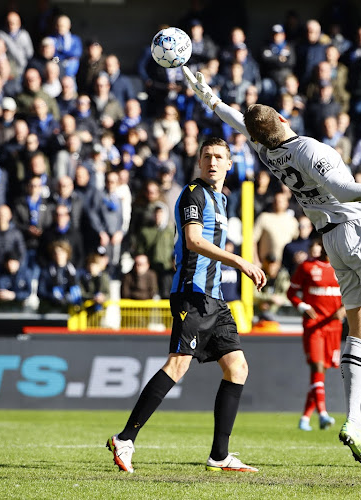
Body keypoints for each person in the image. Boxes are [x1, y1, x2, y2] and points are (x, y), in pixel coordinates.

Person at [183, 66, 361, 469]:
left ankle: (354, 420)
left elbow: (238, 120)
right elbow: (344, 191)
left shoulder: (267, 150)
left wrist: (210, 98)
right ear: (283, 118)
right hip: (358, 227)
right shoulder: (309, 150)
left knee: (360, 324)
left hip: (331, 240)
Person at [107, 137, 266, 474]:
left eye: (218, 157)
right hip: (191, 295)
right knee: (178, 365)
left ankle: (219, 456)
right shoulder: (193, 194)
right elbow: (193, 240)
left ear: (228, 164)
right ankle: (125, 438)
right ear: (198, 161)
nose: (212, 162)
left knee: (237, 368)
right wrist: (239, 261)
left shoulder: (222, 198)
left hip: (215, 298)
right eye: (206, 156)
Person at [286, 239, 345, 432]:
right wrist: (303, 306)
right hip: (314, 326)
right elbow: (291, 293)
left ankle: (305, 418)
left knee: (320, 374)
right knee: (317, 367)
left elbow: (354, 293)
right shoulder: (308, 267)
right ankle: (323, 413)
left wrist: (344, 310)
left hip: (333, 327)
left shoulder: (343, 267)